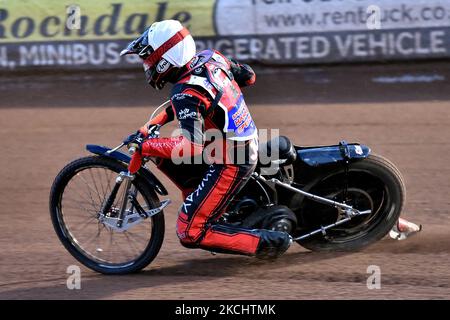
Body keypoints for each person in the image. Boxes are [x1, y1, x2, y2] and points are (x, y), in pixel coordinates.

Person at [120, 20, 291, 258]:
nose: (147, 65)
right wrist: (153, 124)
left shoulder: (185, 93)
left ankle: (269, 243)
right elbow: (249, 76)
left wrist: (146, 145)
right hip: (238, 143)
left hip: (231, 160)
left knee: (189, 231)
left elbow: (191, 147)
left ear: (166, 58)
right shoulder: (211, 58)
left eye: (149, 59)